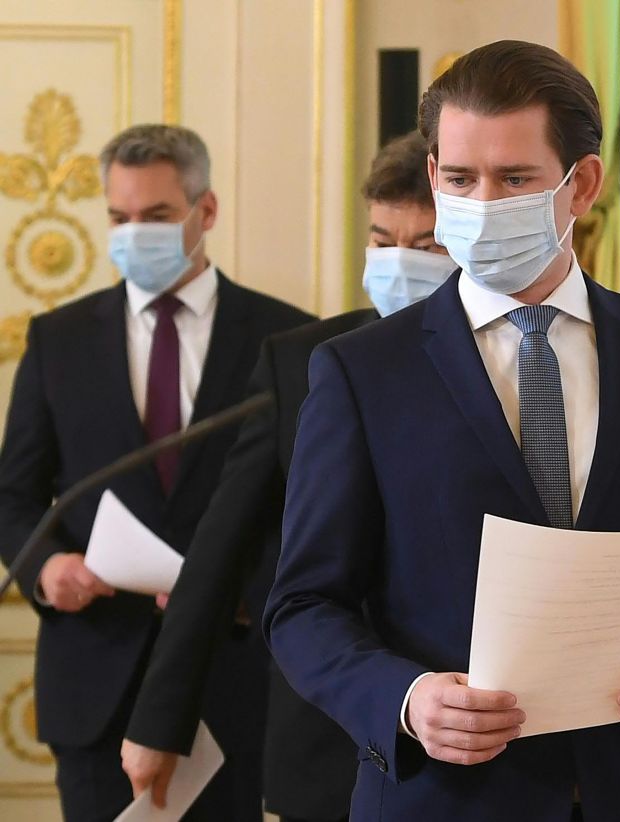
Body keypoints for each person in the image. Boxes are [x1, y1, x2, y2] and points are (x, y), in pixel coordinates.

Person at [264, 40, 620, 822]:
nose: (483, 202)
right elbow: (303, 605)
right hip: (440, 799)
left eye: (514, 179)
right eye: (462, 179)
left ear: (583, 185)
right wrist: (405, 698)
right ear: (433, 177)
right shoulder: (361, 373)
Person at [118, 131, 452, 822]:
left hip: (470, 733)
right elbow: (218, 552)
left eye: (425, 248)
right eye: (382, 240)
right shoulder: (304, 362)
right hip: (325, 740)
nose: (397, 264)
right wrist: (159, 722)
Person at [0, 124, 313, 821]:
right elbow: (14, 495)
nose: (133, 233)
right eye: (119, 218)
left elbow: (312, 508)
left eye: (157, 217)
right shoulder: (58, 340)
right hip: (96, 679)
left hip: (235, 676)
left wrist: (239, 591)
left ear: (206, 212)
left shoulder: (288, 338)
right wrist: (48, 570)